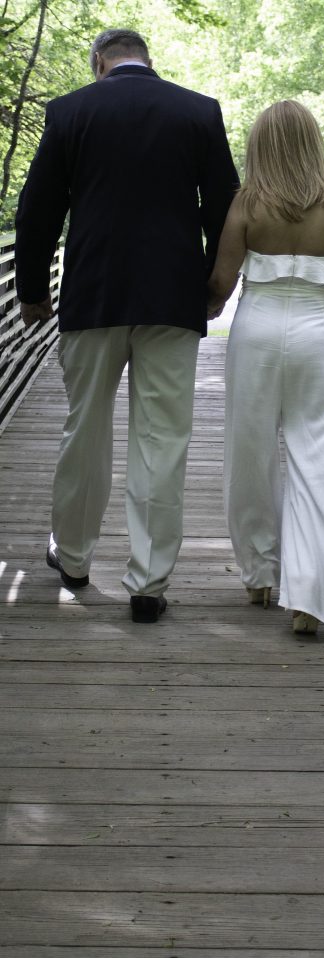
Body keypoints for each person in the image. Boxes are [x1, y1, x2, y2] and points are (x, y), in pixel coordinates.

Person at [15, 29, 240, 623]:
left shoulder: (69, 113)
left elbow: (37, 208)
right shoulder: (198, 111)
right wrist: (217, 286)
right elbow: (226, 207)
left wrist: (33, 291)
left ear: (99, 64)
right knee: (163, 439)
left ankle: (76, 560)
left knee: (84, 428)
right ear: (149, 61)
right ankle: (148, 583)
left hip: (92, 295)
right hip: (172, 297)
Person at [207, 99, 324, 636]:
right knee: (323, 462)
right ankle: (313, 596)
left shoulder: (246, 205)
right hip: (320, 334)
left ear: (262, 145)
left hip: (257, 330)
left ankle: (260, 574)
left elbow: (220, 285)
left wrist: (197, 310)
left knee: (250, 450)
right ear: (313, 144)